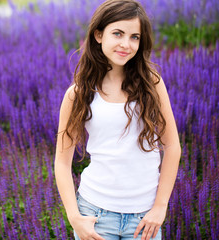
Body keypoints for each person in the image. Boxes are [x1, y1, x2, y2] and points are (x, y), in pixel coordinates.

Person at [54, 0, 181, 240]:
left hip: (144, 218)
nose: (126, 44)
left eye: (135, 37)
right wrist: (75, 218)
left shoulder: (152, 83)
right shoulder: (79, 93)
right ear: (99, 35)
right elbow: (62, 161)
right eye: (118, 33)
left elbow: (173, 146)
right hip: (95, 214)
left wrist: (160, 206)